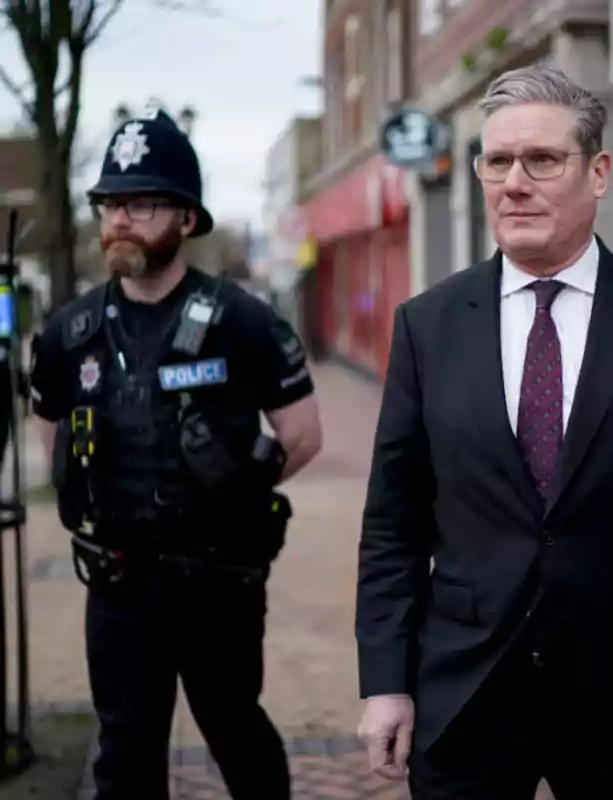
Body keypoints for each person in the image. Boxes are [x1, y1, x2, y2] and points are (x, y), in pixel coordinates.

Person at [355, 65, 613, 798]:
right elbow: (393, 524)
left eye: (542, 160)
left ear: (599, 172)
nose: (515, 182)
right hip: (464, 692)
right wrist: (385, 680)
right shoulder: (428, 325)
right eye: (497, 161)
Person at [29, 109, 323, 800]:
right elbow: (51, 431)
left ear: (186, 218)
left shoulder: (241, 320)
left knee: (234, 729)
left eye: (140, 204)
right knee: (124, 750)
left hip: (215, 579)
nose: (119, 221)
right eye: (109, 205)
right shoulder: (72, 331)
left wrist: (233, 496)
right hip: (117, 587)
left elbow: (304, 434)